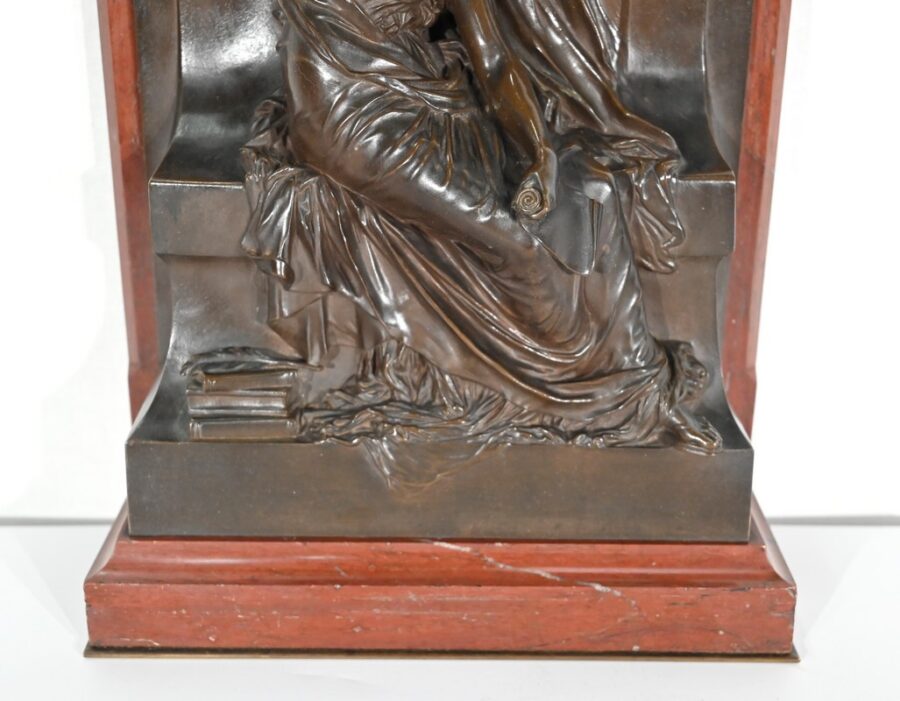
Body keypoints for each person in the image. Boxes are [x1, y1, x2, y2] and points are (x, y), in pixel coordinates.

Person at [240, 0, 721, 459]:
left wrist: (540, 154)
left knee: (591, 186)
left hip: (431, 94)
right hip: (346, 116)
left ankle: (641, 386)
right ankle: (588, 399)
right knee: (520, 246)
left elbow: (493, 62)